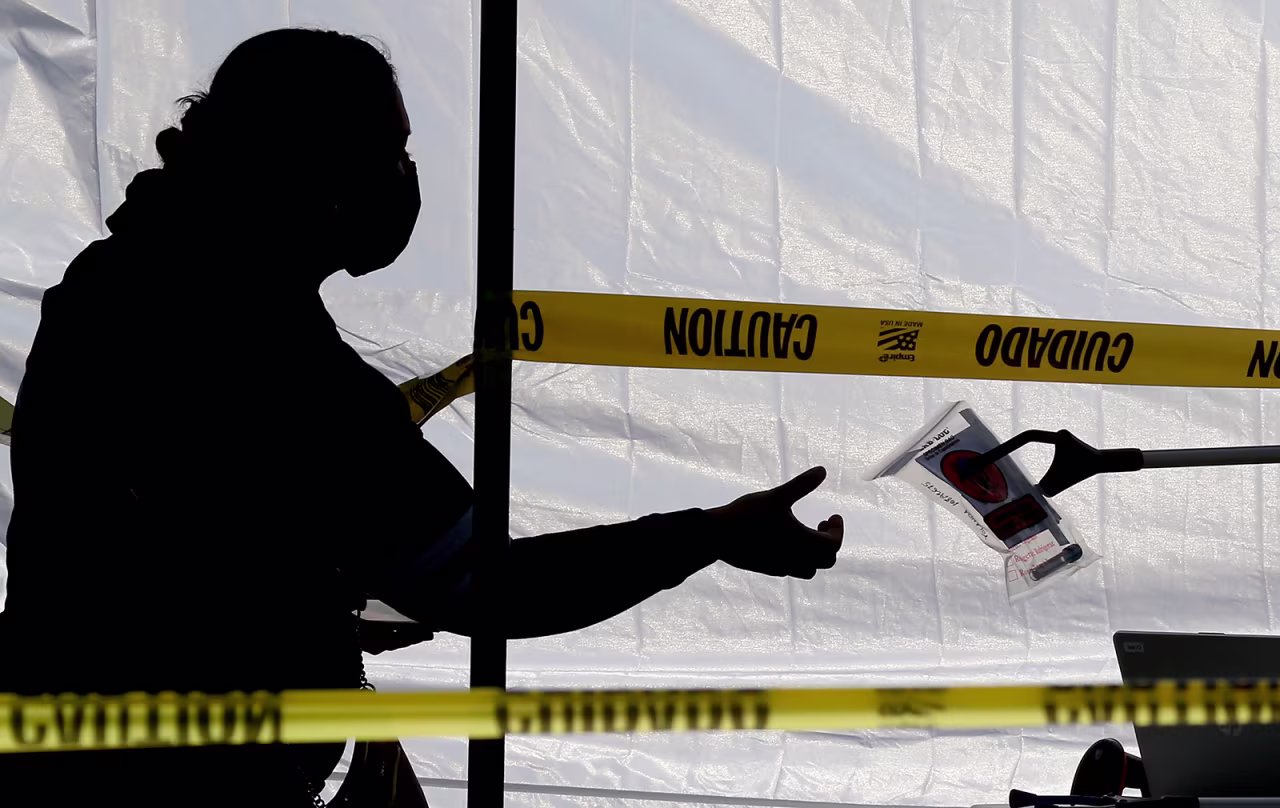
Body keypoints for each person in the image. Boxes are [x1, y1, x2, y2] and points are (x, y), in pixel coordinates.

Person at [0, 27, 844, 807]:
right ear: (314, 171)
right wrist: (709, 534)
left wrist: (317, 592)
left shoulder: (122, 275)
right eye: (391, 152)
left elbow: (172, 529)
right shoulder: (266, 348)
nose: (405, 178)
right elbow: (488, 585)